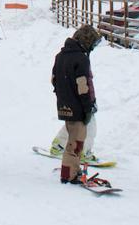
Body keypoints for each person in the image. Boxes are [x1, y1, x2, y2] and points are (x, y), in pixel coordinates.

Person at [51, 25, 99, 184]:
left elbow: (54, 79)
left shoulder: (61, 55)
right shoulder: (81, 58)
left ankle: (72, 170)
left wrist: (63, 97)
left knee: (73, 140)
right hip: (78, 105)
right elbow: (83, 85)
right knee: (76, 143)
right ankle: (68, 175)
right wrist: (88, 106)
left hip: (64, 103)